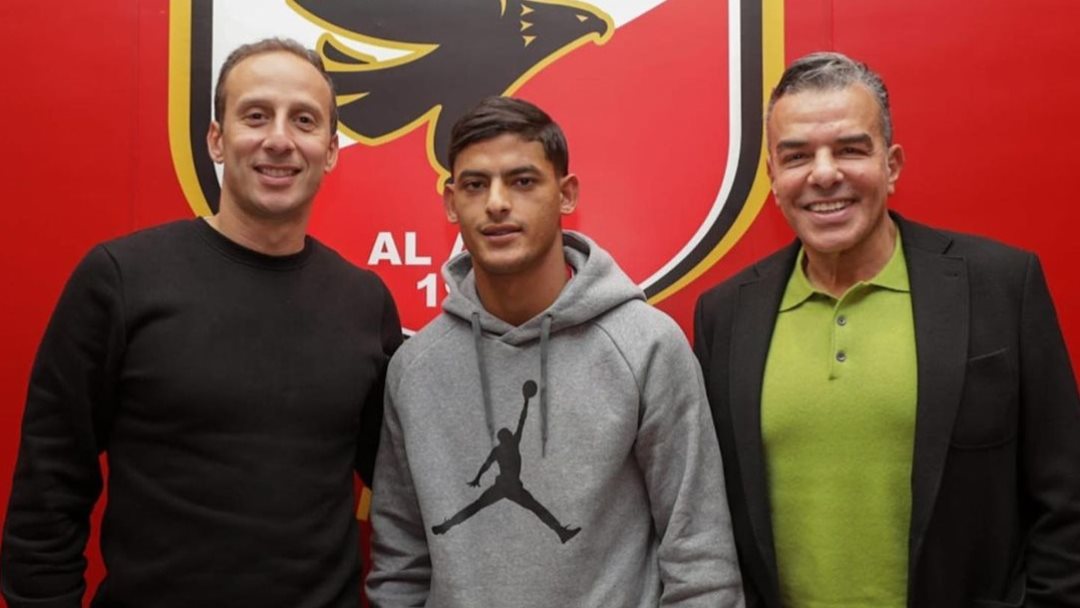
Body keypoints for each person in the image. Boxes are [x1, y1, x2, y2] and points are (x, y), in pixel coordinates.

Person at [1, 38, 401, 607]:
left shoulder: (364, 302)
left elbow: (405, 487)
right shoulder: (120, 279)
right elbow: (48, 489)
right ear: (216, 138)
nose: (279, 139)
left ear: (331, 150)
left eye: (304, 120)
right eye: (256, 116)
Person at [693, 51, 1080, 607]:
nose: (824, 174)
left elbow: (1065, 500)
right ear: (774, 178)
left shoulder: (1001, 286)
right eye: (797, 156)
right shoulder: (725, 316)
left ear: (892, 166)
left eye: (850, 149)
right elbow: (712, 518)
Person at [365, 96, 744, 607]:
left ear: (566, 195)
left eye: (522, 181)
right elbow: (400, 568)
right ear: (452, 203)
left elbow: (701, 561)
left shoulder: (647, 347)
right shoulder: (415, 370)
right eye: (475, 185)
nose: (497, 203)